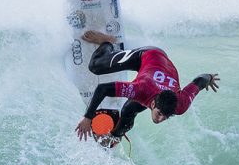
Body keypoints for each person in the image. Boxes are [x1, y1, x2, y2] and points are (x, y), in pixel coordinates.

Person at [74, 30, 219, 141]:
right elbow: (103, 89)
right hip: (149, 55)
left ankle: (114, 137)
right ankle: (107, 42)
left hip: (162, 70)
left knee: (128, 110)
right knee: (95, 67)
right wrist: (87, 117)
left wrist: (210, 77)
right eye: (160, 114)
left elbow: (200, 81)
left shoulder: (180, 105)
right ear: (154, 103)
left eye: (165, 117)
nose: (160, 120)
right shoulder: (140, 89)